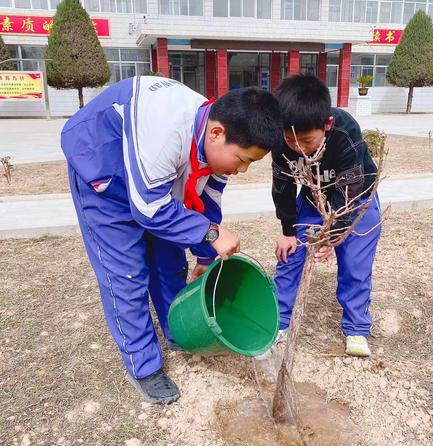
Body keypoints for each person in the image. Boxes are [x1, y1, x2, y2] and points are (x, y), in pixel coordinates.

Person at [61, 76, 283, 404]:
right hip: (103, 170)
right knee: (127, 276)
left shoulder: (214, 138)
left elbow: (208, 199)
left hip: (155, 182)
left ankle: (177, 328)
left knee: (168, 261)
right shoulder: (164, 131)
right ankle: (143, 365)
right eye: (242, 160)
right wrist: (210, 233)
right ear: (216, 133)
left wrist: (206, 253)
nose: (244, 170)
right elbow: (149, 209)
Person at [271, 74, 381, 357]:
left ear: (327, 125)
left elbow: (349, 193)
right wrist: (286, 231)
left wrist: (333, 237)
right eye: (290, 141)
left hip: (356, 201)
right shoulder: (281, 142)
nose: (299, 149)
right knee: (290, 254)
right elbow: (282, 187)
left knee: (355, 262)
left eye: (307, 141)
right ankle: (279, 319)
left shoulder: (344, 131)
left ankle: (356, 328)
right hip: (311, 198)